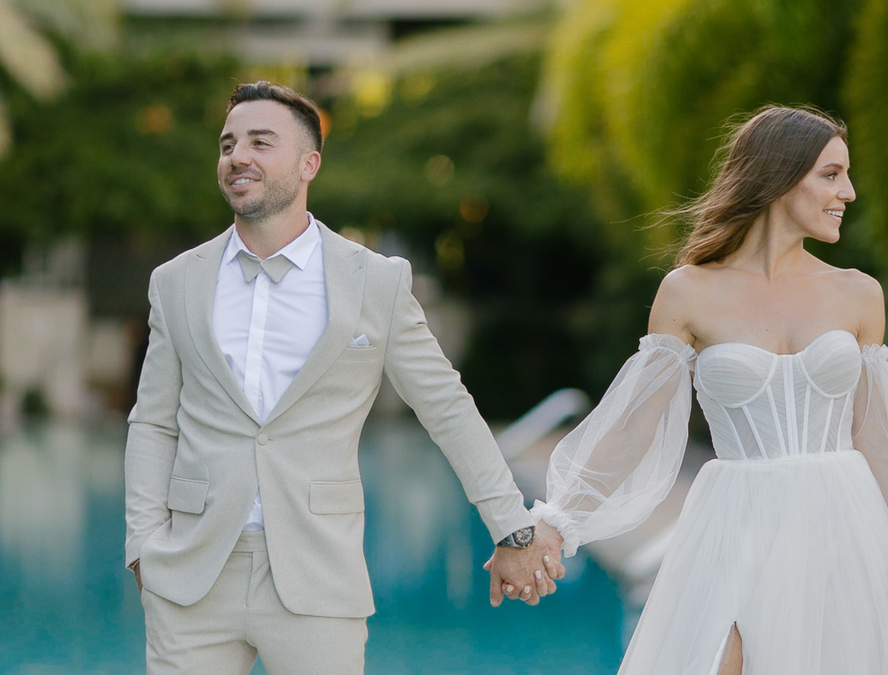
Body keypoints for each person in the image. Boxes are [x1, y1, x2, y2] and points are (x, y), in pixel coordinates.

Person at [123, 81, 563, 675]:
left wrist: (511, 529)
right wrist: (142, 546)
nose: (237, 156)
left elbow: (447, 409)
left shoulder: (374, 282)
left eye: (260, 142)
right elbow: (153, 420)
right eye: (228, 144)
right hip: (192, 576)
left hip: (318, 575)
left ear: (310, 164)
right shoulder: (176, 281)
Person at [529, 106, 888, 674]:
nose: (848, 192)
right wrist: (557, 521)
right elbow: (633, 425)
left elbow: (877, 439)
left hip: (842, 523)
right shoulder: (688, 292)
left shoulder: (858, 294)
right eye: (831, 174)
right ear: (779, 176)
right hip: (734, 523)